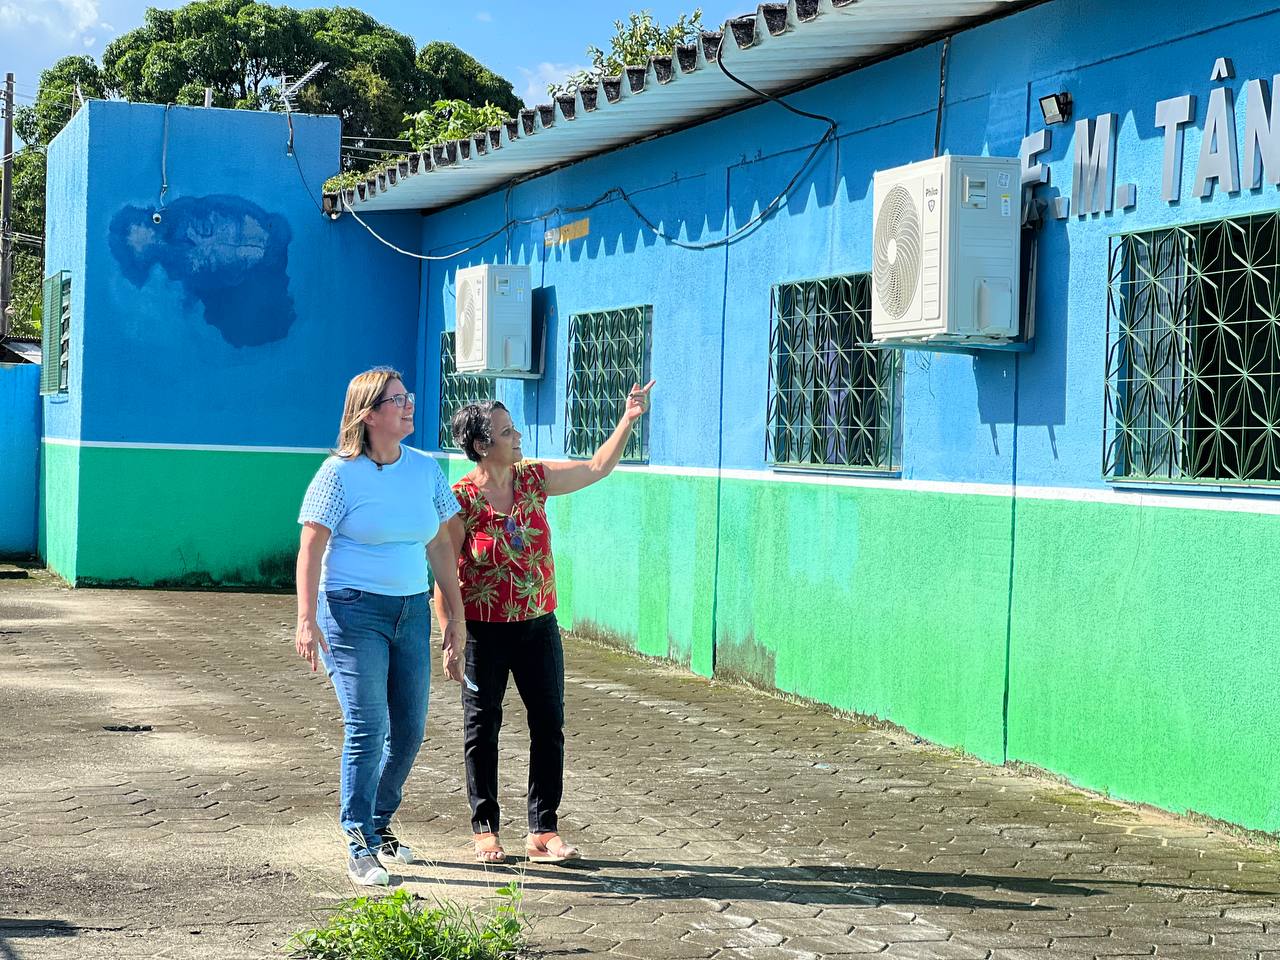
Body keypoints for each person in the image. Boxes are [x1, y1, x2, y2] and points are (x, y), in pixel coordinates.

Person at [434, 380, 655, 864]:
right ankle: (485, 828)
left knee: (549, 723)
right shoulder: (460, 499)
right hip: (484, 630)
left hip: (538, 625)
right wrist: (451, 634)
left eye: (514, 429)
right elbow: (445, 572)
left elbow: (596, 467)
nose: (517, 437)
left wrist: (627, 419)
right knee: (482, 726)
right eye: (506, 432)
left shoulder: (533, 478)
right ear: (481, 445)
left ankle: (542, 830)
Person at [295, 366, 467, 887]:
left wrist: (455, 616)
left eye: (408, 396)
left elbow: (440, 543)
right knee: (369, 727)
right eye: (397, 399)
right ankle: (358, 842)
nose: (409, 405)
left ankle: (377, 821)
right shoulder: (338, 473)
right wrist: (305, 619)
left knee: (410, 730)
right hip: (351, 611)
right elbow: (311, 547)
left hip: (411, 609)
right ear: (369, 414)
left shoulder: (425, 469)